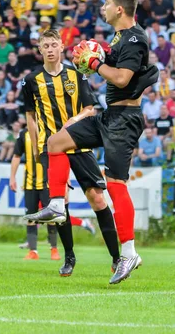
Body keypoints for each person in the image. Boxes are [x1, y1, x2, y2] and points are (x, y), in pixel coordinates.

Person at [26, 0, 159, 285]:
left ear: (120, 10)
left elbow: (123, 78)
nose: (104, 7)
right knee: (56, 141)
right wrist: (101, 53)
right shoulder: (121, 38)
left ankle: (129, 253)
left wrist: (97, 63)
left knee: (115, 185)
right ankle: (58, 204)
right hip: (110, 115)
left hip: (124, 119)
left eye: (108, 3)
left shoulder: (135, 37)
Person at [19, 29, 121, 279]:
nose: (50, 49)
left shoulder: (77, 74)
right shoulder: (31, 80)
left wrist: (73, 120)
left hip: (79, 143)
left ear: (61, 47)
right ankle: (69, 257)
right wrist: (36, 149)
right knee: (59, 202)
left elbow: (90, 108)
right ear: (40, 49)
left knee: (97, 199)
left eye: (54, 44)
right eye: (46, 46)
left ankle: (116, 258)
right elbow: (30, 117)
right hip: (51, 147)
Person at [10, 127, 60, 261]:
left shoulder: (49, 131)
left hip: (47, 184)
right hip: (30, 184)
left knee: (51, 217)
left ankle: (54, 249)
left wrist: (63, 182)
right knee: (31, 217)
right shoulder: (23, 134)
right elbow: (16, 156)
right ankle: (33, 251)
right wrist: (12, 177)